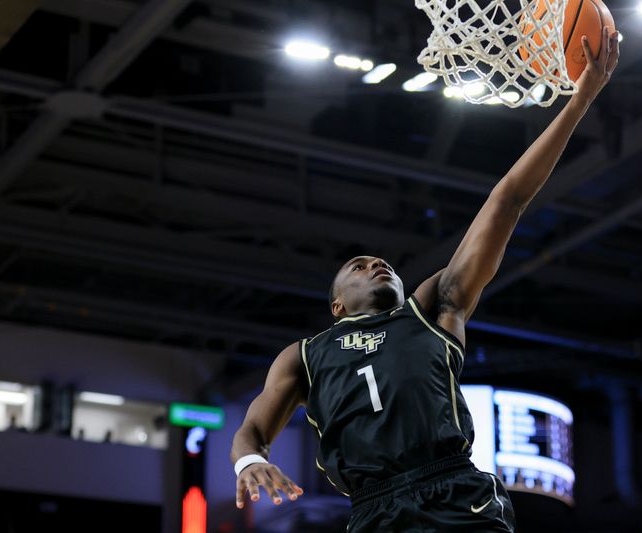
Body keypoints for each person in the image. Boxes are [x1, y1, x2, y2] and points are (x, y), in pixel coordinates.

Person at [230, 28, 620, 532]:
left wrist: (582, 99)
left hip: (456, 491)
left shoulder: (434, 309)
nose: (376, 265)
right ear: (337, 307)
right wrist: (248, 461)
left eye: (380, 262)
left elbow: (506, 200)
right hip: (375, 510)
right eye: (357, 266)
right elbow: (253, 430)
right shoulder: (304, 355)